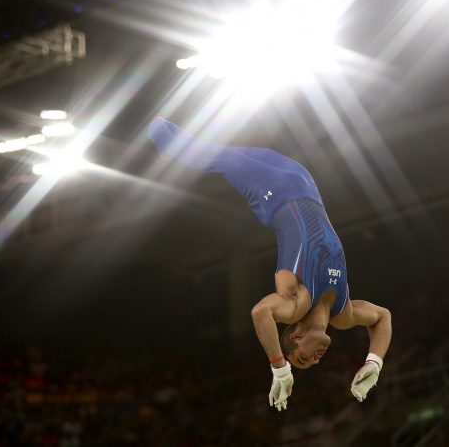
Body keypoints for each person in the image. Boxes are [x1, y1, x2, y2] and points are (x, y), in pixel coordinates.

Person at [147, 117, 392, 411]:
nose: (315, 360)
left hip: (273, 195)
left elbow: (261, 311)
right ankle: (166, 135)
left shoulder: (295, 303)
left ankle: (149, 124)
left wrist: (279, 368)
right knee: (220, 150)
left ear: (297, 335)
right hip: (306, 185)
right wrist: (374, 363)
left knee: (207, 154)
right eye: (310, 363)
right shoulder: (344, 313)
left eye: (301, 358)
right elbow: (382, 318)